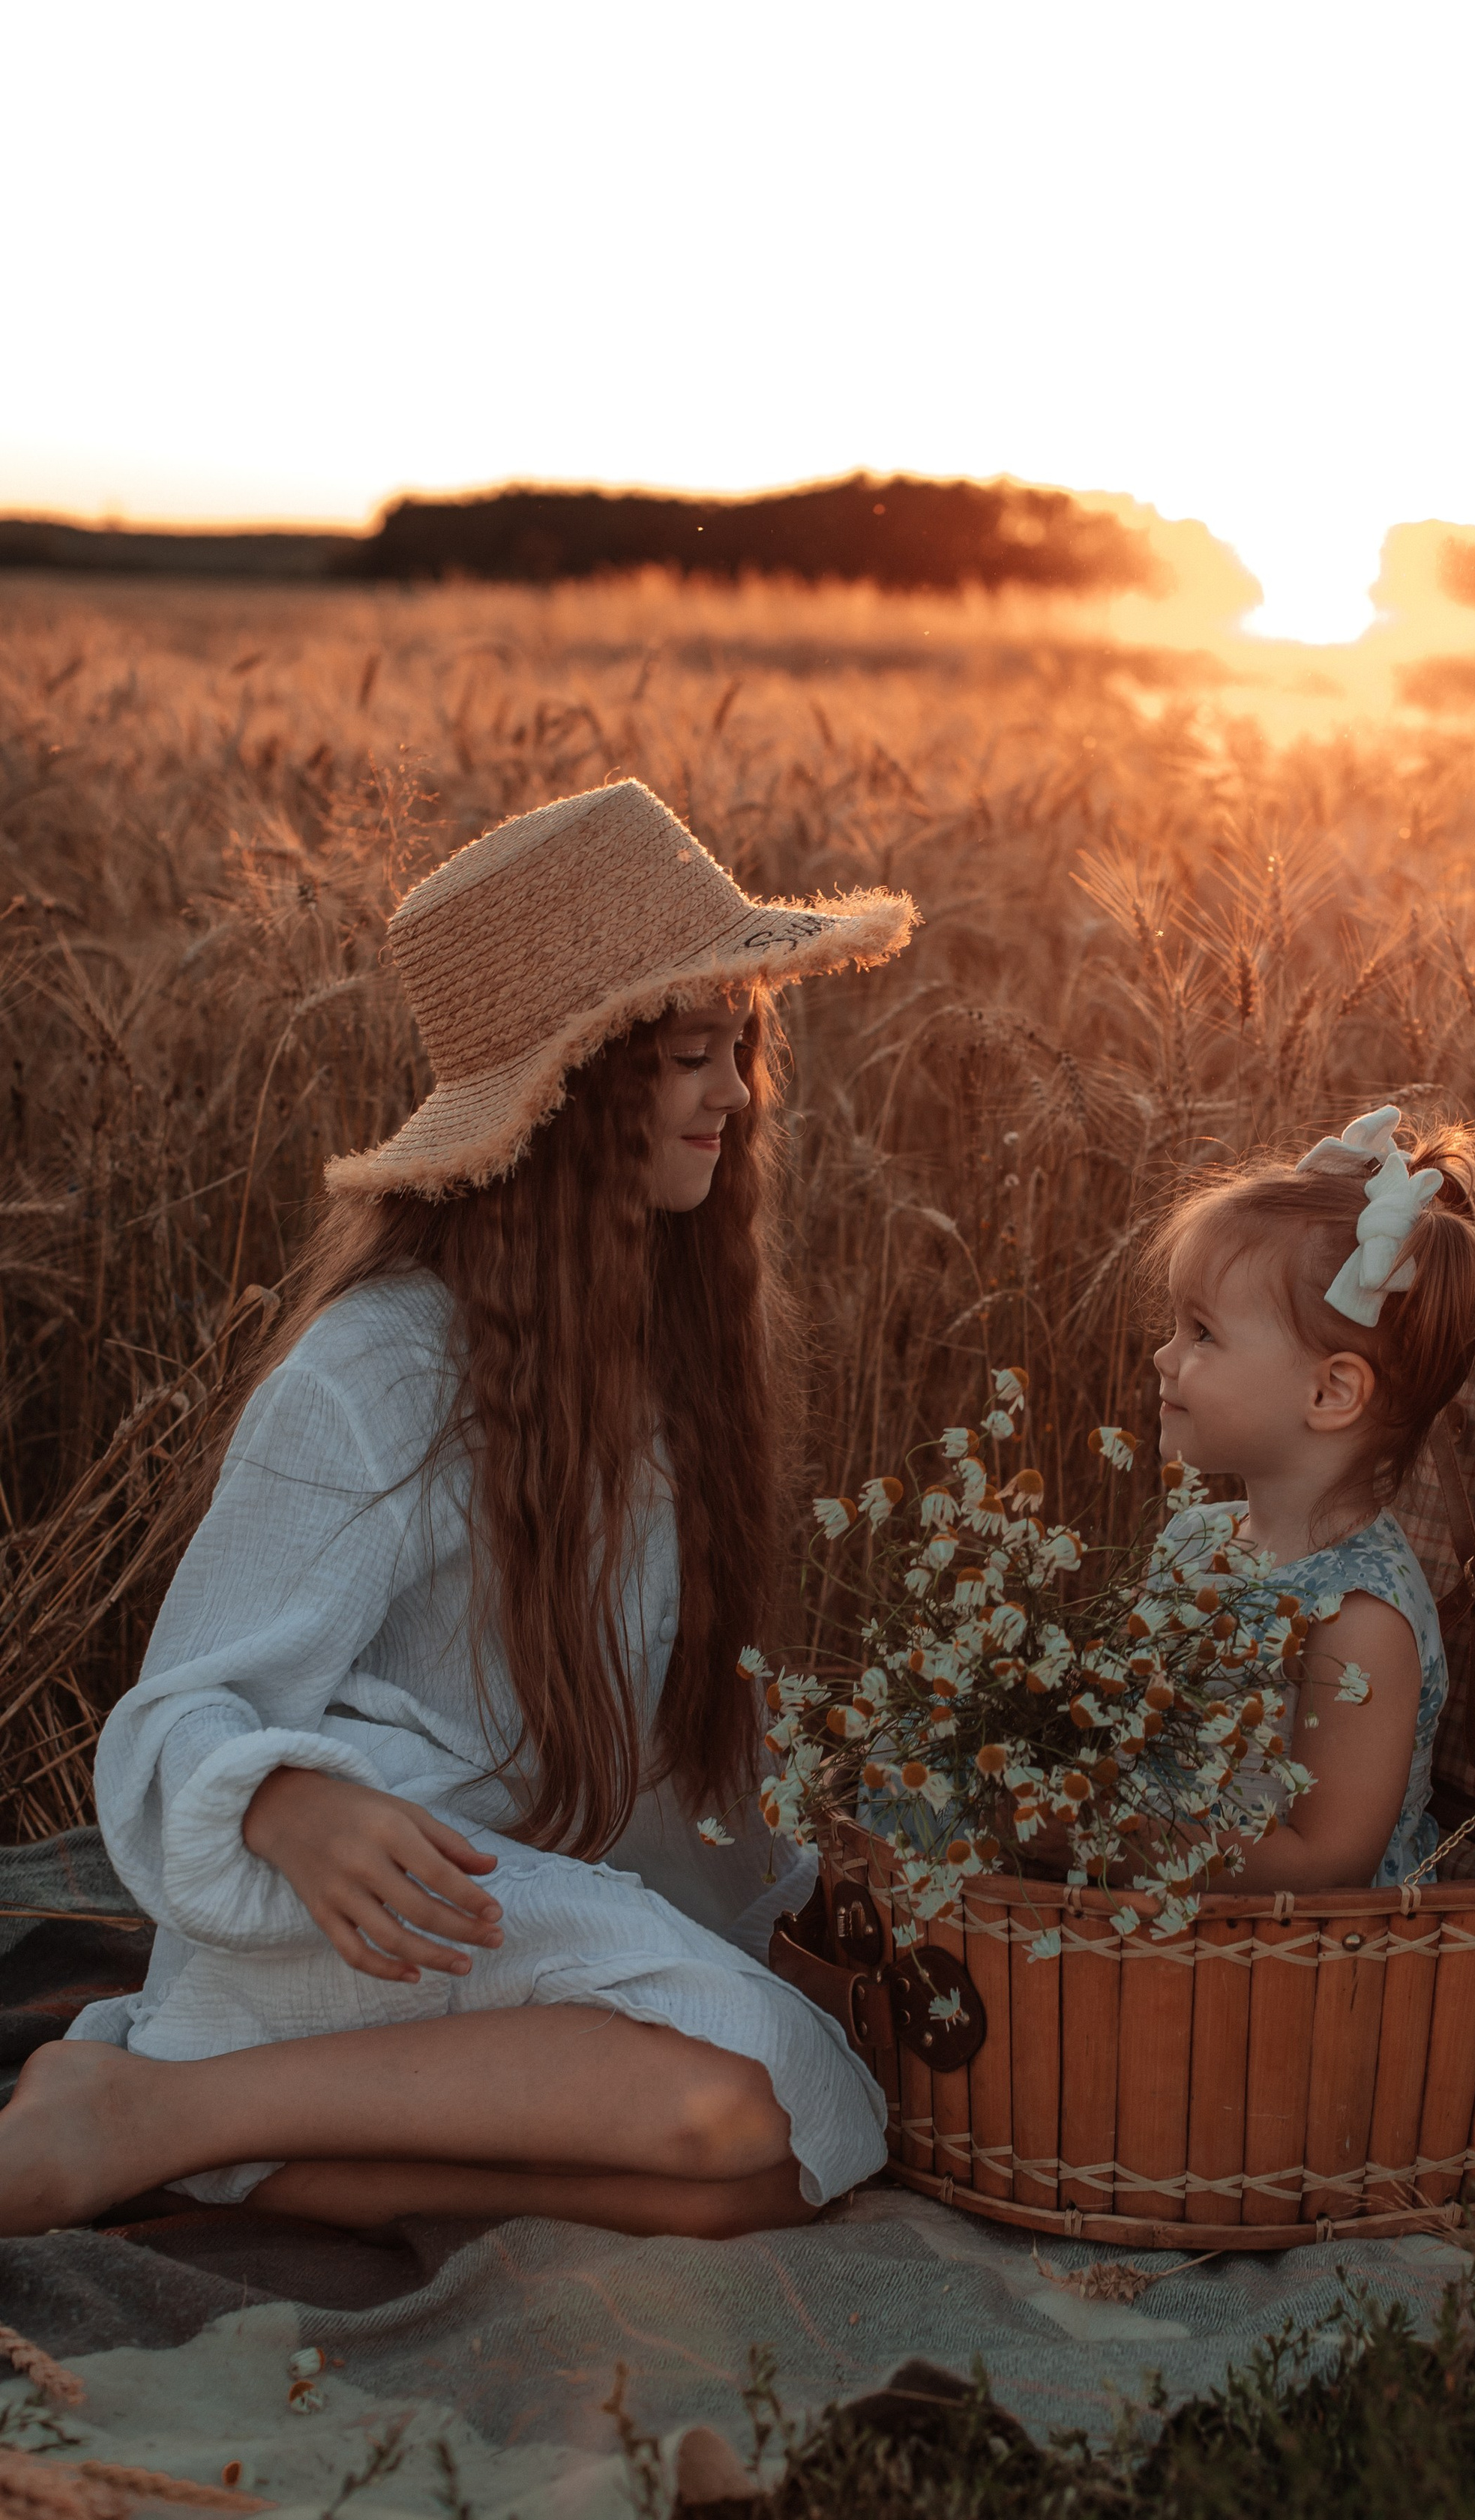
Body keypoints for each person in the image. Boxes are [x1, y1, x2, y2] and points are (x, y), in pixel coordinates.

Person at [0, 779, 917, 2241]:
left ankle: (161, 2134)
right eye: (689, 1056)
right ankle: (162, 2100)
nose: (735, 1096)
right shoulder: (378, 1369)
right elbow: (180, 1710)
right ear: (568, 1092)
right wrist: (291, 1803)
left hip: (501, 1920)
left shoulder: (663, 1357)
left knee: (763, 2172)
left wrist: (792, 1906)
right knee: (739, 2112)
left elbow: (661, 1759)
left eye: (741, 1048)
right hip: (373, 1916)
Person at [1150, 1105, 1475, 1889]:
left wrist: (1128, 1845)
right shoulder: (1195, 1539)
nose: (1163, 1355)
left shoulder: (1358, 1618)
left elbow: (1328, 1860)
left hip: (1310, 1967)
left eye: (1202, 1333)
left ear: (1332, 1390)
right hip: (1177, 1908)